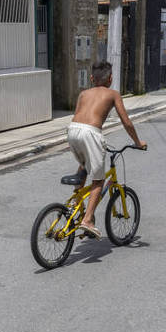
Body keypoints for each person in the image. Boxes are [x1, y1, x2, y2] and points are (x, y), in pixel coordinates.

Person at [67, 61, 147, 239]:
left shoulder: (83, 93)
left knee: (84, 166)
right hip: (90, 133)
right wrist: (137, 142)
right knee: (98, 180)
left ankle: (76, 204)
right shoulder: (113, 94)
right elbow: (126, 122)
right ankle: (87, 219)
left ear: (91, 78)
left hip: (73, 130)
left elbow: (79, 117)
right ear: (110, 78)